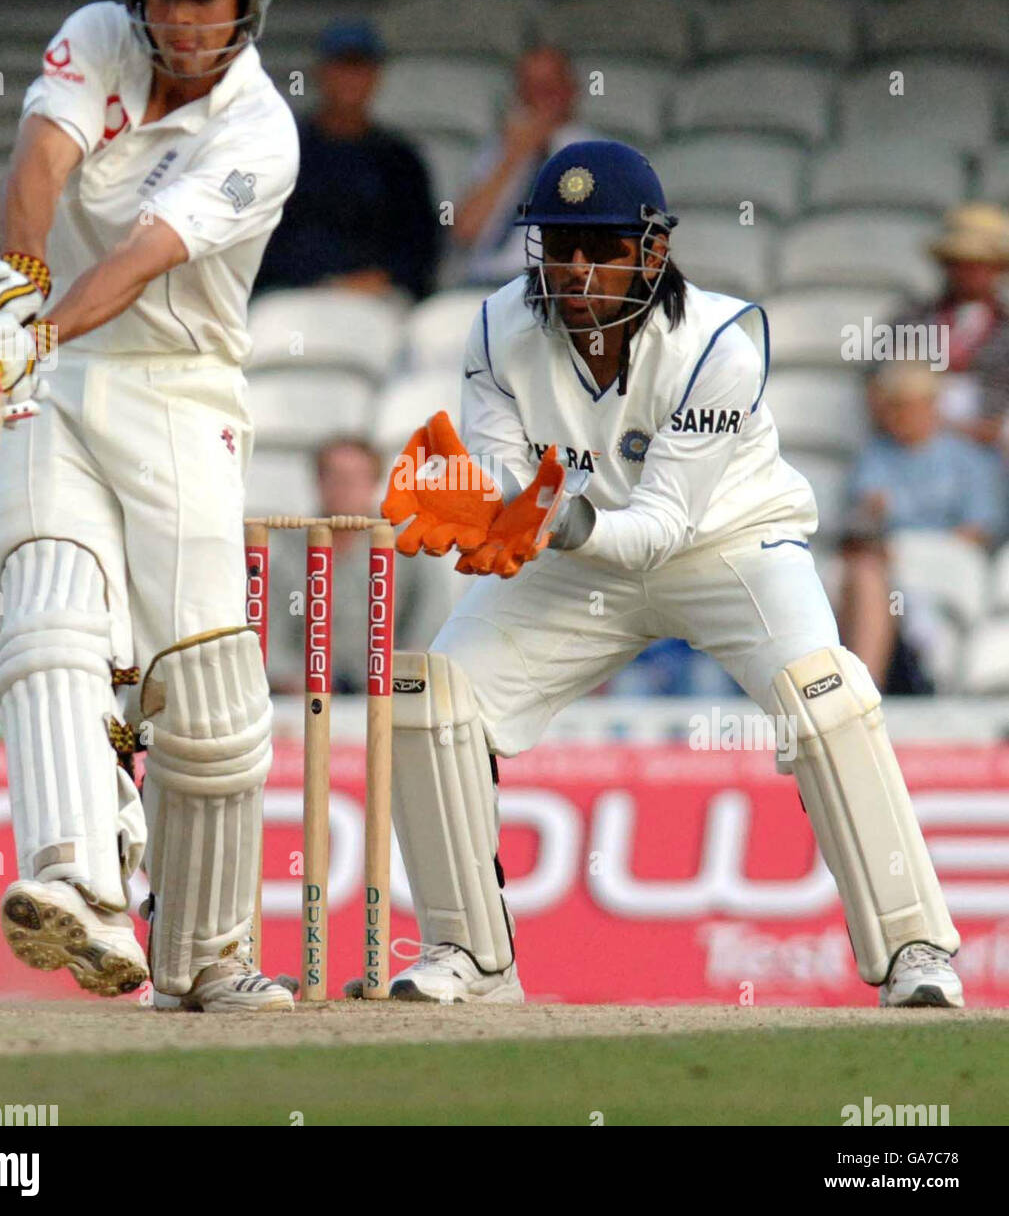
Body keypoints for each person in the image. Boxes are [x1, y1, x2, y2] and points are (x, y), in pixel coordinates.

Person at [381, 139, 964, 1009]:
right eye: (561, 245)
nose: (579, 271)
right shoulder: (496, 326)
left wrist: (551, 518)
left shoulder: (720, 342)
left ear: (652, 250)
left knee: (825, 695)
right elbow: (507, 477)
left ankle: (916, 950)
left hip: (727, 547)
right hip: (574, 560)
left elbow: (657, 529)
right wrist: (486, 505)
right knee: (429, 697)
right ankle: (469, 955)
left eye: (605, 247)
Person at [0, 0, 299, 1012]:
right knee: (45, 605)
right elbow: (37, 169)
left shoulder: (259, 128)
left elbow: (143, 255)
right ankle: (80, 883)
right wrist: (12, 292)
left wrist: (32, 328)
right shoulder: (98, 38)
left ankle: (208, 957)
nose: (184, 20)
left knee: (203, 688)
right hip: (62, 375)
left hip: (182, 388)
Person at [839, 361, 1004, 693]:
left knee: (873, 574)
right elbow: (861, 527)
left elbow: (979, 530)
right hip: (888, 564)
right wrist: (872, 516)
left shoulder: (967, 457)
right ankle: (869, 688)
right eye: (894, 405)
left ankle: (868, 691)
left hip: (946, 561)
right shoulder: (877, 455)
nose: (900, 415)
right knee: (867, 575)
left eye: (908, 405)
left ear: (931, 405)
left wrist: (909, 547)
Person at [253, 18, 438, 300]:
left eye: (360, 68)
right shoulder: (282, 150)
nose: (350, 79)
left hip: (378, 298)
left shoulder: (401, 159)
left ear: (376, 76)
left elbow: (419, 247)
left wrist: (382, 277)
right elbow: (261, 241)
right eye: (342, 67)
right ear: (321, 73)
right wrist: (319, 282)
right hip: (291, 296)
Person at [265, 437, 452, 693]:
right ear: (318, 482)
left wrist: (402, 674)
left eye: (355, 479)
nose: (345, 488)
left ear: (374, 483)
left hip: (390, 690)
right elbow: (270, 632)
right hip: (306, 694)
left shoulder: (410, 546)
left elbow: (431, 620)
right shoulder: (288, 552)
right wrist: (292, 679)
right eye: (335, 478)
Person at [450, 45, 595, 287]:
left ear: (572, 90)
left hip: (555, 283)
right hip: (483, 282)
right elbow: (464, 232)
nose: (541, 98)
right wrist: (512, 158)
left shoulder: (595, 153)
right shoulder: (495, 152)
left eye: (551, 87)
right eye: (532, 88)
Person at [899, 202, 1009, 447]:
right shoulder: (912, 318)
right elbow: (880, 390)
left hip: (992, 453)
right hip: (913, 445)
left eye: (981, 264)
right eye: (960, 263)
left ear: (999, 268)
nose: (970, 272)